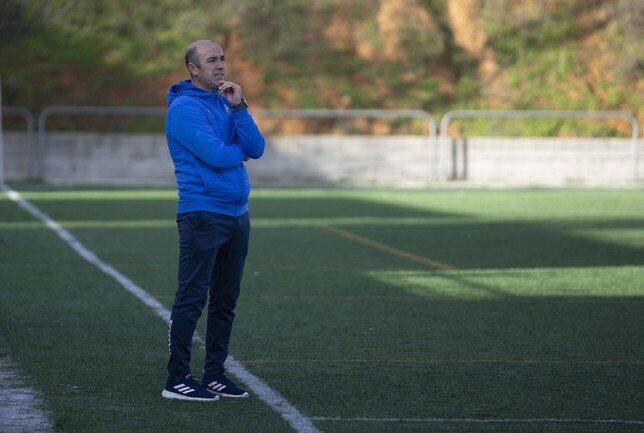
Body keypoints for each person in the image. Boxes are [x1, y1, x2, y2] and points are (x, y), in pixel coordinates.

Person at [161, 39, 265, 401]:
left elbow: (257, 147)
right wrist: (240, 154)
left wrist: (239, 108)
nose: (220, 65)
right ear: (193, 68)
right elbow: (220, 156)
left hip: (237, 214)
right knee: (192, 298)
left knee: (225, 300)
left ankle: (215, 375)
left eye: (222, 58)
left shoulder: (225, 101)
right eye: (211, 60)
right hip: (202, 213)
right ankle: (177, 378)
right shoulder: (184, 109)